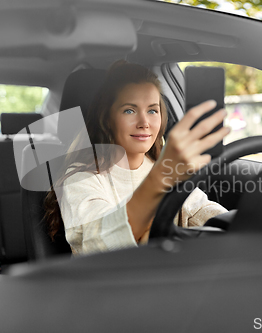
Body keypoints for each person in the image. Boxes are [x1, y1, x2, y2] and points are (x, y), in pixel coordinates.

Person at [44, 60, 231, 255]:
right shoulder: (81, 178)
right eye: (129, 110)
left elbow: (203, 211)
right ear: (107, 119)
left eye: (152, 110)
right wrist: (161, 178)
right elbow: (99, 245)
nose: (144, 122)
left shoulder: (165, 168)